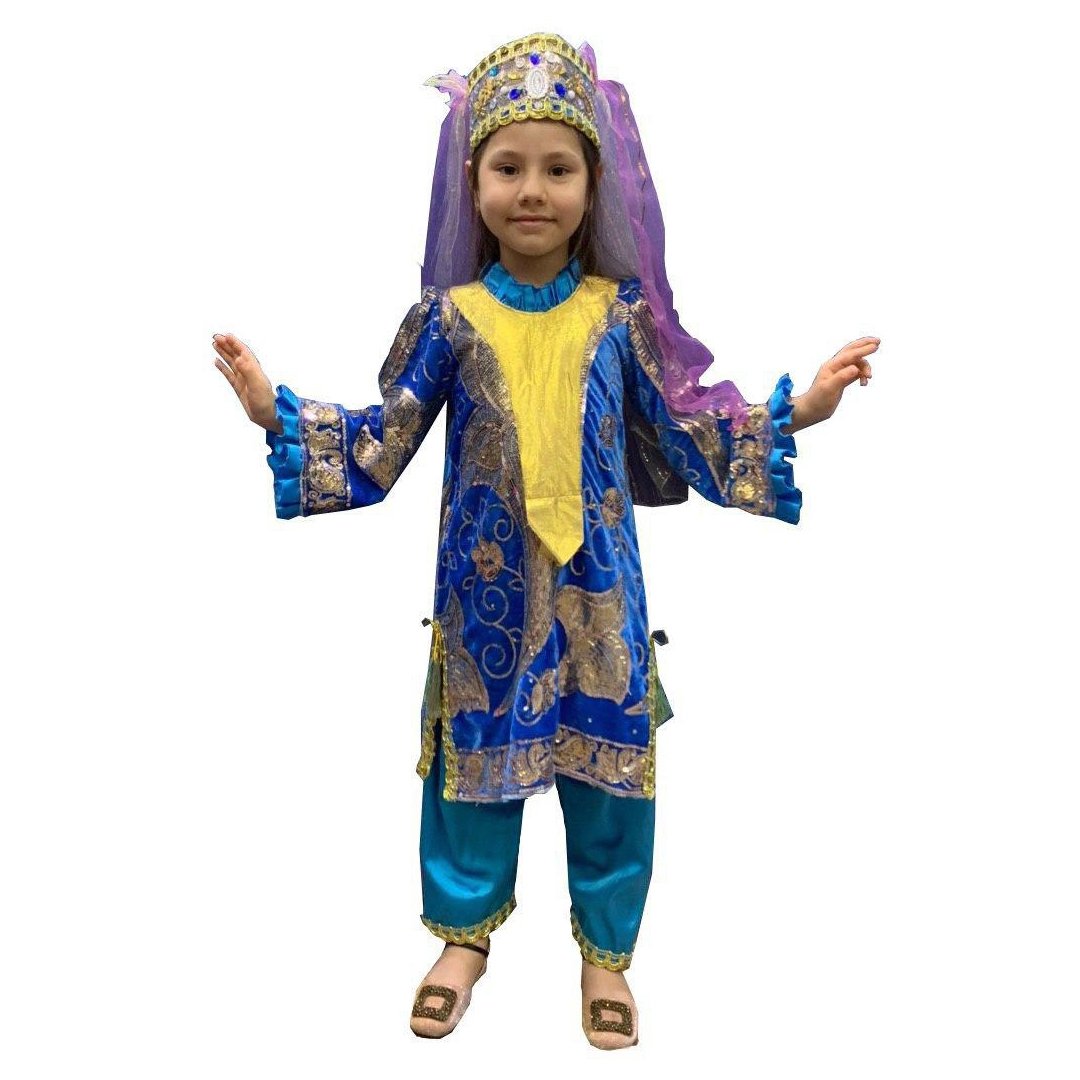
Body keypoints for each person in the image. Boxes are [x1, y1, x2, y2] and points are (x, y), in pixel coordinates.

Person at [212, 30, 879, 1050]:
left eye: (559, 169)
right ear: (472, 182)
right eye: (508, 167)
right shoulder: (448, 318)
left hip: (600, 594)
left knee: (611, 771)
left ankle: (606, 953)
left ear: (593, 185)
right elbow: (385, 440)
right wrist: (275, 412)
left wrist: (799, 412)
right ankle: (463, 940)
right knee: (472, 764)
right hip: (485, 598)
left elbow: (688, 431)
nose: (533, 190)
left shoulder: (621, 318)